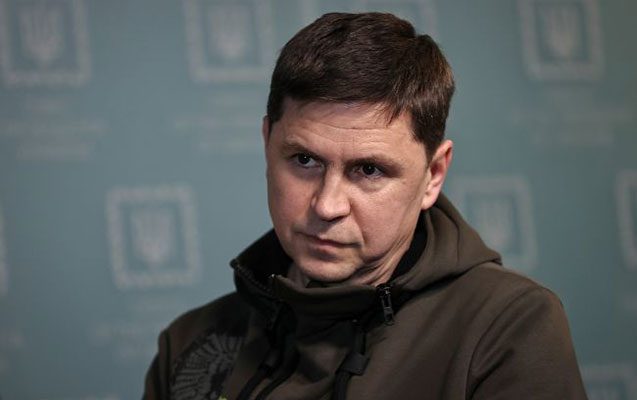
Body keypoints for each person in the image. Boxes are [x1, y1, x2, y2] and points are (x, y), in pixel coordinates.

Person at [144, 12, 587, 400]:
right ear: (267, 145)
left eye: (369, 170)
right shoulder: (191, 342)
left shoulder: (508, 327)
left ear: (433, 175)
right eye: (304, 161)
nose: (327, 205)